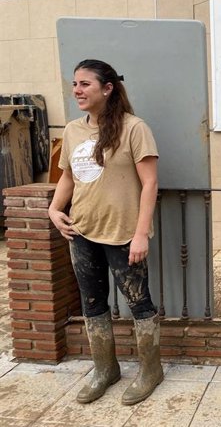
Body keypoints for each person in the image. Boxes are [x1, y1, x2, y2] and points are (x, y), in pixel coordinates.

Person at [48, 59, 163, 406]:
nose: (77, 91)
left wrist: (141, 233)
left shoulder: (134, 128)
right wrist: (54, 209)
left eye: (85, 84)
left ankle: (150, 370)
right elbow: (67, 176)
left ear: (107, 88)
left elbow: (150, 182)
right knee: (93, 302)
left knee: (138, 302)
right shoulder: (72, 131)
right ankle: (105, 369)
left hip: (123, 234)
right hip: (81, 231)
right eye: (74, 84)